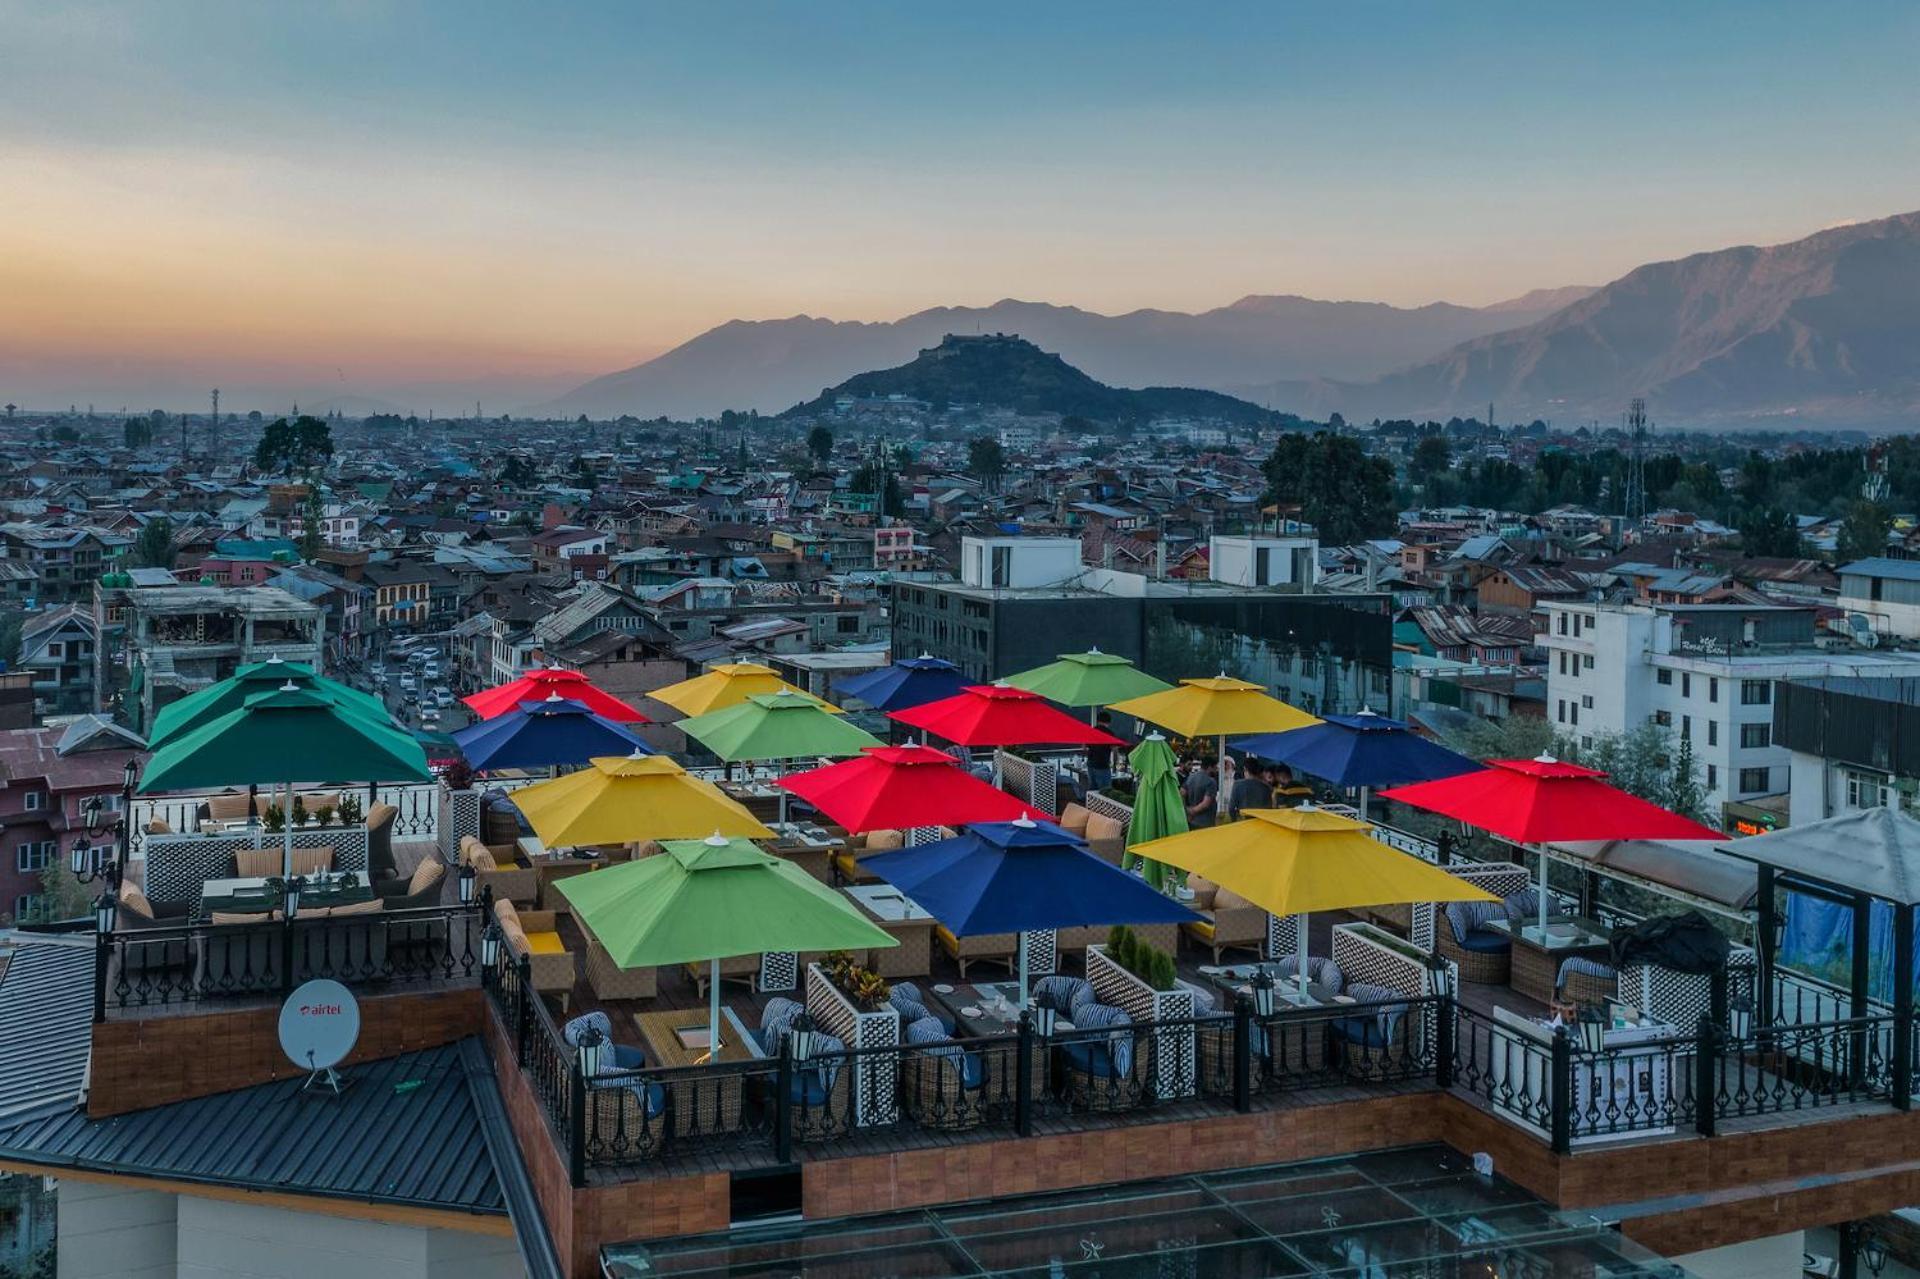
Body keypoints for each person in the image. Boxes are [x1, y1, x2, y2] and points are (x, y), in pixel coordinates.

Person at [1182, 756, 1219, 828]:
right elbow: (1205, 803)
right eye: (1215, 768)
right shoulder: (1211, 782)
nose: (1216, 770)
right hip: (1205, 822)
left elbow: (1181, 794)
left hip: (1190, 821)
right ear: (1209, 767)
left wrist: (1186, 810)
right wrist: (1192, 811)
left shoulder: (1190, 777)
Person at [1085, 712, 1116, 793]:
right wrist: (1115, 764)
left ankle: (1091, 805)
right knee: (1105, 792)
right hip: (1102, 765)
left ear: (1097, 720)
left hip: (1090, 764)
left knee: (1092, 790)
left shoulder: (1091, 731)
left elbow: (1084, 747)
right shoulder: (1109, 733)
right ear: (1109, 722)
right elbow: (1114, 749)